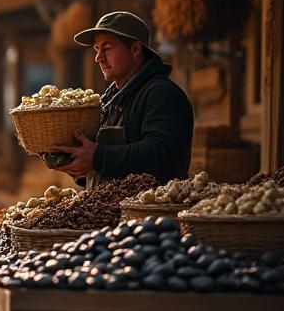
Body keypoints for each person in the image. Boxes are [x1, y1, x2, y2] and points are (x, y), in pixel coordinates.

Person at [52, 11, 194, 187]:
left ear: (135, 49)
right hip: (107, 208)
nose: (98, 58)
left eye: (107, 48)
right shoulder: (108, 100)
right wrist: (75, 163)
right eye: (97, 49)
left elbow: (159, 153)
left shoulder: (162, 94)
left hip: (148, 211)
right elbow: (103, 164)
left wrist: (98, 157)